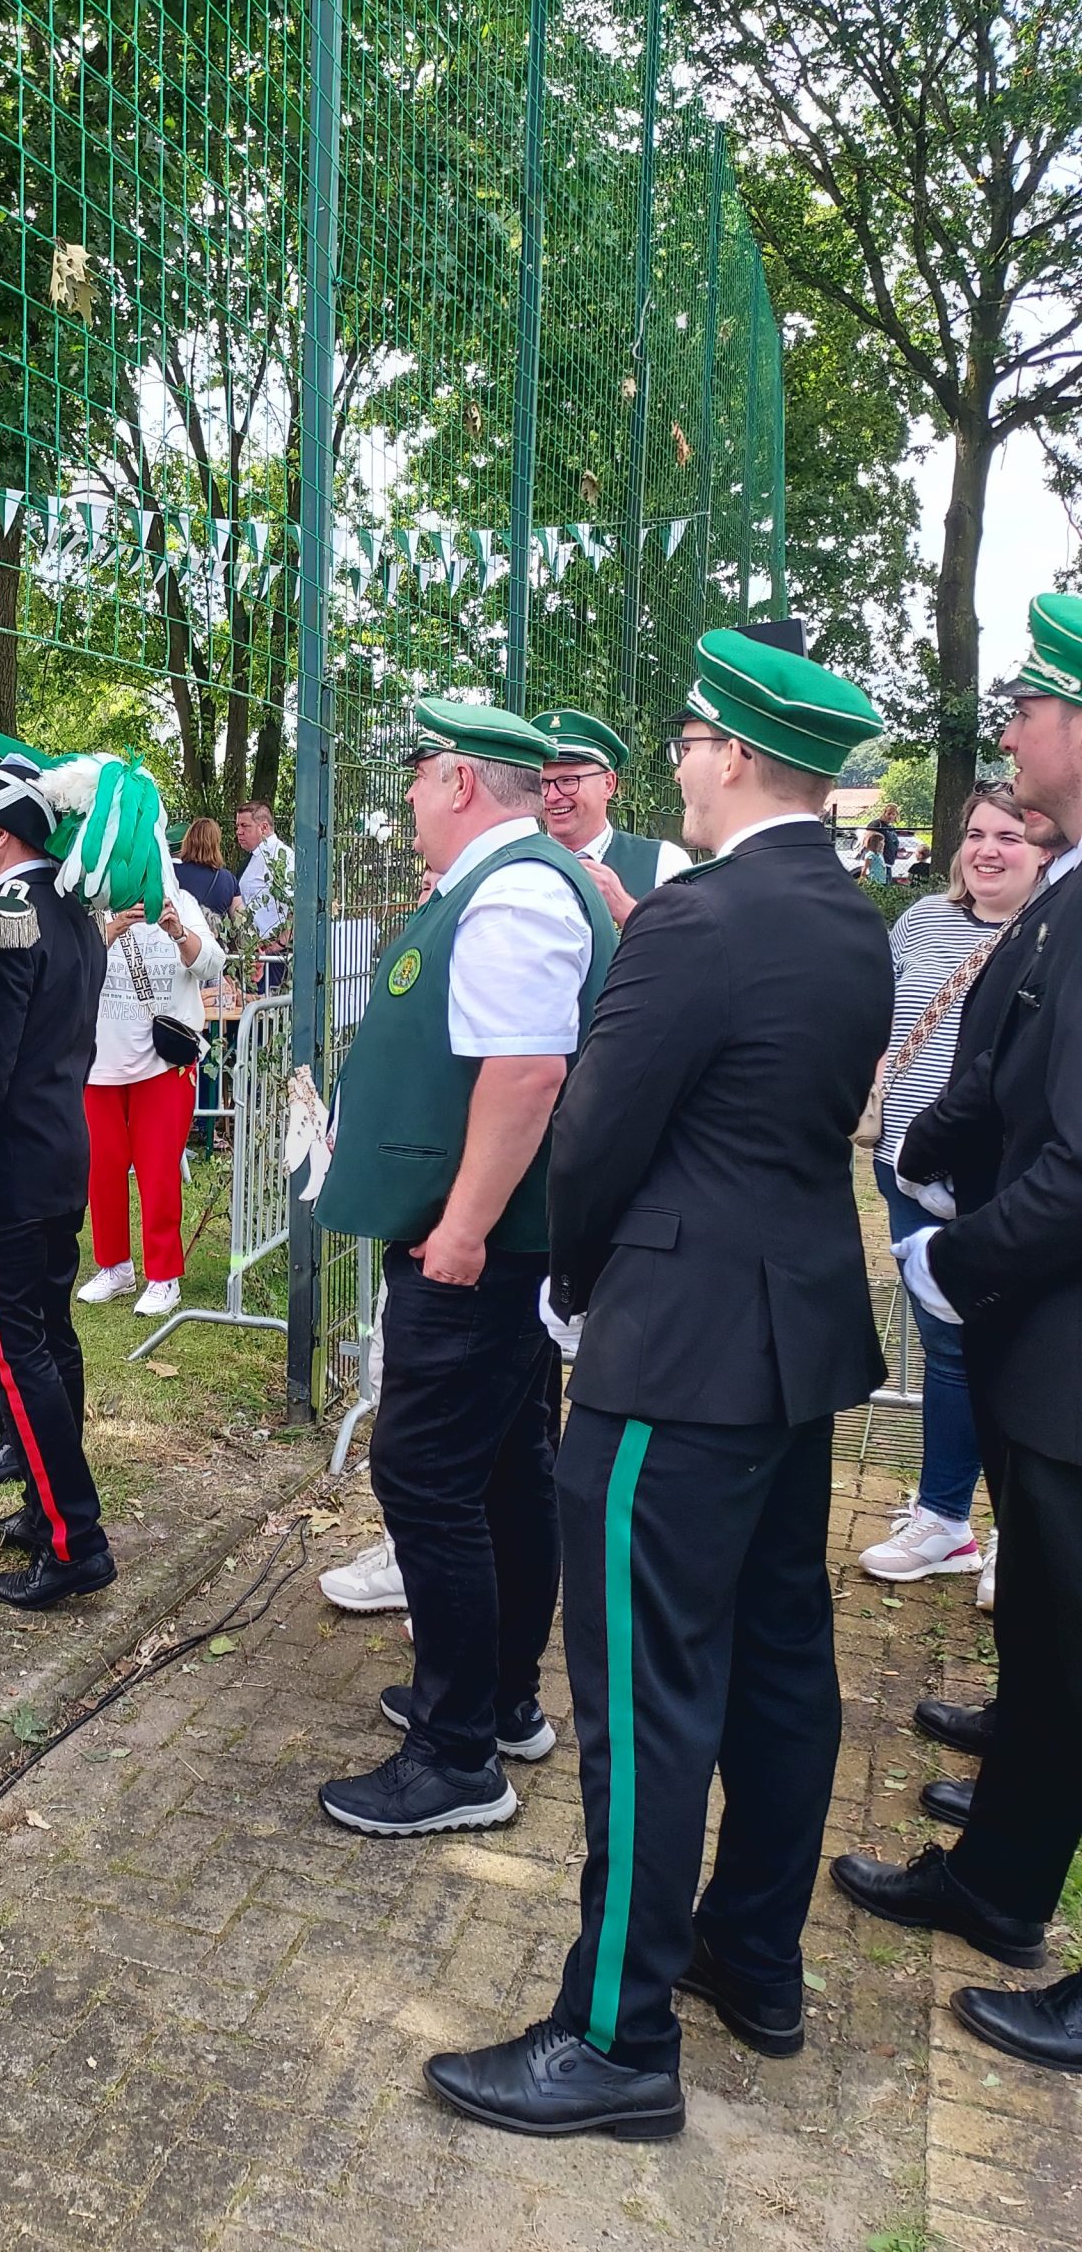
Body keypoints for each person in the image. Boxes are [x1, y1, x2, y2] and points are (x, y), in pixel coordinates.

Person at [424, 628, 888, 2141]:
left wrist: (574, 1283)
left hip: (678, 1350)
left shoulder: (700, 916)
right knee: (779, 1663)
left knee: (643, 1695)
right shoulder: (849, 912)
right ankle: (753, 1958)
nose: (679, 762)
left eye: (689, 740)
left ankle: (616, 2036)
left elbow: (599, 1133)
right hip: (792, 1339)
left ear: (736, 754)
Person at [837, 593, 1082, 2073]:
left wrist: (954, 1257)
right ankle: (999, 1883)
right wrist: (929, 1158)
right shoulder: (1062, 889)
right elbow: (1002, 1066)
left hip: (1058, 1325)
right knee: (1048, 1638)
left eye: (1036, 704)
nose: (1014, 727)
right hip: (1041, 1336)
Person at [311, 699, 613, 1837]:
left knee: (427, 1475)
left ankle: (455, 1757)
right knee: (502, 1472)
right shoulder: (509, 880)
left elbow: (528, 1072)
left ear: (460, 783)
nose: (408, 799)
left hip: (480, 1252)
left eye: (418, 776)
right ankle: (499, 1702)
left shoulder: (516, 889)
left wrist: (465, 1229)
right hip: (498, 1244)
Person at [859, 785, 1043, 1594]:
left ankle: (1021, 1533)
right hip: (903, 1162)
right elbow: (881, 1017)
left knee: (1019, 1349)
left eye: (1010, 835)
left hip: (1001, 1176)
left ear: (1043, 848)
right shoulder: (923, 922)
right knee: (943, 1346)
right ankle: (945, 1519)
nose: (988, 850)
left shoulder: (1052, 931)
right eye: (976, 834)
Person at [0, 758, 115, 1610]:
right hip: (59, 1152)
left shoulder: (7, 910)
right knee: (50, 1340)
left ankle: (73, 1537)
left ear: (3, 833)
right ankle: (49, 1511)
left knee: (18, 1357)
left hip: (6, 1166)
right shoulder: (75, 910)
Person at [78, 882, 224, 1318]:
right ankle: (114, 1266)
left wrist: (178, 932)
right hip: (100, 1061)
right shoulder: (92, 904)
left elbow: (212, 963)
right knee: (102, 1167)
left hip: (164, 1062)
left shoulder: (182, 900)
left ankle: (164, 1276)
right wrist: (108, 931)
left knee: (158, 1168)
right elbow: (70, 964)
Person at [531, 708, 690, 928]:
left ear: (608, 784)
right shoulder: (519, 864)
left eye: (568, 780)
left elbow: (685, 945)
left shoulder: (662, 863)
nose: (552, 796)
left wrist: (624, 909)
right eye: (542, 783)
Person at [233, 800, 292, 986]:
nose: (239, 832)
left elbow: (297, 905)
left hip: (271, 956)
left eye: (245, 826)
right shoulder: (255, 857)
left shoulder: (282, 857)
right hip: (253, 953)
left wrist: (279, 944)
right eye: (237, 826)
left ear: (264, 827)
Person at [173, 817, 242, 925]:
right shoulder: (228, 879)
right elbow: (240, 921)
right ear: (216, 844)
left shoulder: (172, 873)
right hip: (213, 934)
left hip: (180, 933)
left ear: (188, 841)